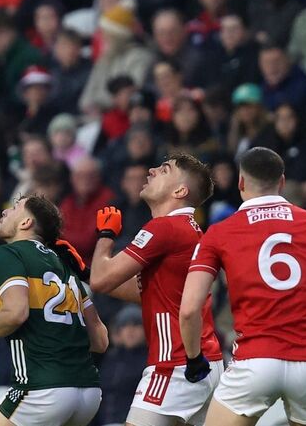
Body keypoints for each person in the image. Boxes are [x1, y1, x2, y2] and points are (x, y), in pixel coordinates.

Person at [179, 147, 306, 426]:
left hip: (255, 361)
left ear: (240, 183)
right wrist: (301, 307)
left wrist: (193, 359)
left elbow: (189, 309)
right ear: (282, 182)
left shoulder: (219, 233)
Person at [88, 153, 224, 426]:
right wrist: (88, 269)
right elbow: (145, 292)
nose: (151, 171)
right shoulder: (190, 230)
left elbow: (101, 281)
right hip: (206, 360)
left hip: (173, 362)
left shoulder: (165, 228)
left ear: (180, 190)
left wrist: (105, 236)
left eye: (164, 170)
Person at [0, 195, 108, 426]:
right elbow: (100, 340)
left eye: (14, 208)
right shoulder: (67, 266)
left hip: (42, 388)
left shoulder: (10, 253)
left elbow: (15, 313)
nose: (5, 212)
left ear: (26, 223)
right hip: (89, 393)